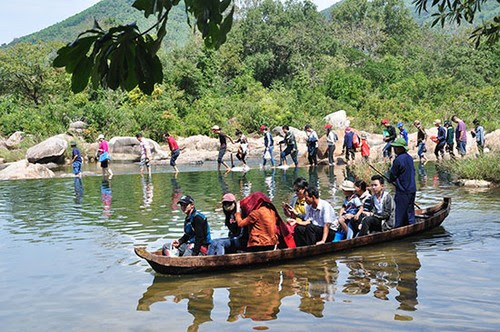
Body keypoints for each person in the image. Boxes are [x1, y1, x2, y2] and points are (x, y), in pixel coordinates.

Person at [389, 137, 416, 228]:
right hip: (412, 189)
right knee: (410, 211)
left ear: (401, 148)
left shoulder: (398, 160)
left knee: (399, 213)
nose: (394, 149)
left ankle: (397, 229)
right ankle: (412, 227)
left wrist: (391, 180)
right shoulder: (409, 158)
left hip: (403, 190)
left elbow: (392, 175)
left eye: (396, 148)